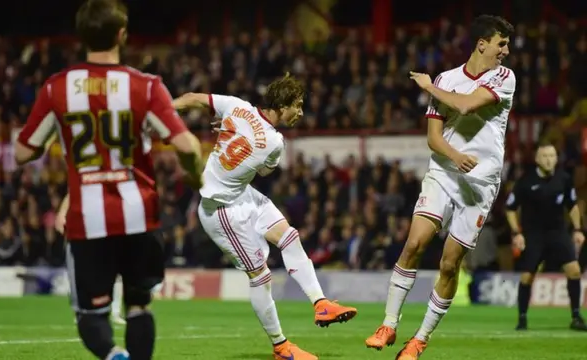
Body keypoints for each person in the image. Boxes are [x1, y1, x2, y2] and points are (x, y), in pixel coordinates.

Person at [14, 1, 203, 359]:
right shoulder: (145, 87)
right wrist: (194, 176)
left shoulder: (57, 89)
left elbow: (24, 152)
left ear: (81, 36)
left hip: (88, 220)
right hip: (139, 215)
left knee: (91, 315)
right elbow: (187, 146)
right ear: (122, 34)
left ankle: (114, 356)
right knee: (138, 307)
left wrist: (61, 134)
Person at [172, 74, 357, 360]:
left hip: (243, 194)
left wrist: (165, 111)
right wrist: (236, 135)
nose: (301, 112)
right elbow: (266, 171)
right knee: (260, 276)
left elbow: (193, 99)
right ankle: (281, 347)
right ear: (282, 106)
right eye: (298, 105)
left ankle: (320, 303)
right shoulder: (274, 142)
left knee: (289, 236)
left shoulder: (235, 105)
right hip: (221, 210)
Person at [364, 15, 516, 360]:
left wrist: (428, 86)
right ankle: (388, 324)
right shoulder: (448, 78)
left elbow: (464, 104)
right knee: (414, 243)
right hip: (444, 174)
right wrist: (454, 155)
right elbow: (433, 138)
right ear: (482, 44)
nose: (506, 50)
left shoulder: (504, 77)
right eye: (501, 43)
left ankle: (419, 340)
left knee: (449, 265)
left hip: (480, 185)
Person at [506, 142, 586, 331]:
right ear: (537, 159)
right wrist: (517, 233)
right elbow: (510, 209)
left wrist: (577, 229)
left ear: (556, 159)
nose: (549, 160)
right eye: (545, 156)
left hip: (558, 232)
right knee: (527, 277)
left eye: (552, 156)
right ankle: (522, 319)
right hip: (534, 235)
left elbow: (572, 205)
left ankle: (576, 317)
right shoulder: (525, 181)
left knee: (574, 271)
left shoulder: (564, 179)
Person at [55, 195, 127, 326]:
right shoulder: (85, 179)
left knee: (116, 271)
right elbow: (71, 193)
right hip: (86, 228)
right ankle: (81, 311)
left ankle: (115, 312)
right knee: (82, 272)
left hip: (108, 226)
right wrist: (62, 212)